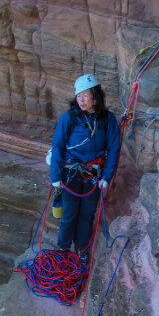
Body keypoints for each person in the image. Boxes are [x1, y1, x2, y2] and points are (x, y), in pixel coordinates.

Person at [49, 74, 121, 265]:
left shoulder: (107, 120)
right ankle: (63, 248)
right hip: (71, 174)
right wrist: (55, 176)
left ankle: (82, 249)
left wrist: (107, 176)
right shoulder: (68, 119)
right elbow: (57, 146)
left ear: (95, 96)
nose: (81, 100)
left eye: (85, 95)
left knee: (87, 214)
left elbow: (113, 148)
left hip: (94, 175)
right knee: (69, 213)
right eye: (78, 95)